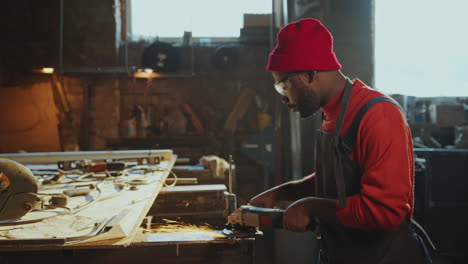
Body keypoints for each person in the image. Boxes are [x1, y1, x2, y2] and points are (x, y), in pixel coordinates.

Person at [250, 18, 432, 264]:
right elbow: (337, 179)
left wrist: (310, 207)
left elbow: (384, 212)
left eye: (285, 85)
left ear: (310, 73)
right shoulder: (331, 114)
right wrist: (285, 192)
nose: (283, 97)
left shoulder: (378, 115)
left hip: (384, 257)